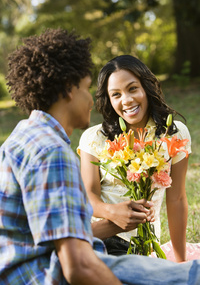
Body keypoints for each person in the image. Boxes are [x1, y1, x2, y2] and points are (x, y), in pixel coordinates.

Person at [1, 28, 200, 285]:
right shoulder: (52, 153)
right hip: (44, 274)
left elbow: (58, 234)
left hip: (44, 264)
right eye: (86, 88)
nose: (92, 101)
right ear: (69, 89)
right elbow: (78, 266)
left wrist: (119, 222)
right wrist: (112, 216)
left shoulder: (24, 136)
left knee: (181, 274)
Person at [78, 55, 191, 262]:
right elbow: (89, 196)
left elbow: (177, 200)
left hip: (143, 243)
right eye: (116, 94)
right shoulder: (95, 138)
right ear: (109, 100)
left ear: (146, 88)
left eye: (132, 89)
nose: (126, 100)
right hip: (101, 237)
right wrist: (113, 213)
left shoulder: (173, 134)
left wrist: (181, 263)